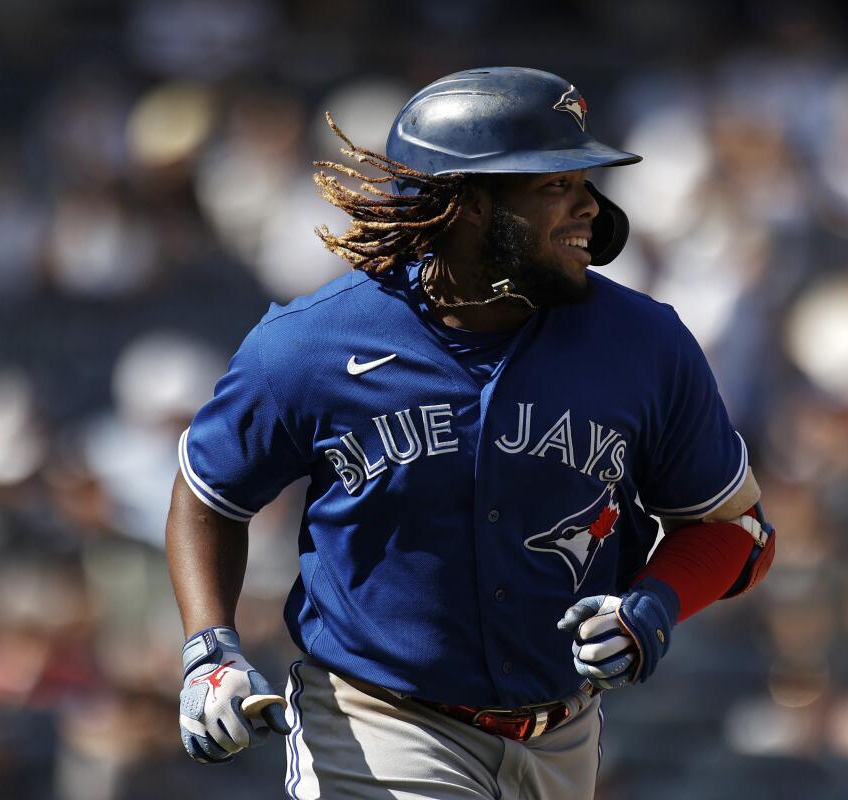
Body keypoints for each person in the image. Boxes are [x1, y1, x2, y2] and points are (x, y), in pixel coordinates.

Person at [166, 66, 776, 800]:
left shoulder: (645, 344)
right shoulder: (310, 345)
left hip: (564, 738)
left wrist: (655, 602)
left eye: (584, 181)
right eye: (555, 185)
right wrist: (211, 648)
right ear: (470, 205)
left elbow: (733, 528)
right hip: (380, 724)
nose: (590, 207)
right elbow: (210, 497)